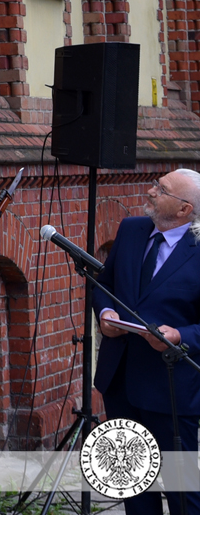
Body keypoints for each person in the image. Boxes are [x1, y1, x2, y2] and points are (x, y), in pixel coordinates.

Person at [93, 168, 200, 515]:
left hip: (171, 386)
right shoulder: (131, 229)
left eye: (161, 188)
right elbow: (102, 284)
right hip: (120, 377)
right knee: (132, 484)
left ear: (185, 209)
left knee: (182, 490)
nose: (150, 191)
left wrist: (180, 335)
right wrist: (105, 312)